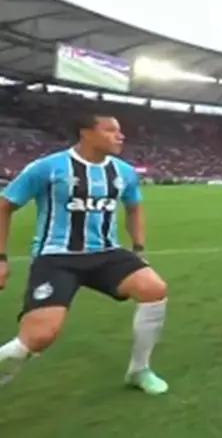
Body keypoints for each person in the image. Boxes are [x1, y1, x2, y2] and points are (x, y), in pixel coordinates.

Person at [0, 114, 169, 393]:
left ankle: (140, 370)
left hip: (106, 252)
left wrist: (138, 248)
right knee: (38, 337)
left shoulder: (124, 171)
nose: (120, 136)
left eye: (119, 130)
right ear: (86, 133)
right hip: (57, 257)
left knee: (154, 289)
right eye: (110, 130)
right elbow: (4, 206)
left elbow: (134, 207)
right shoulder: (47, 167)